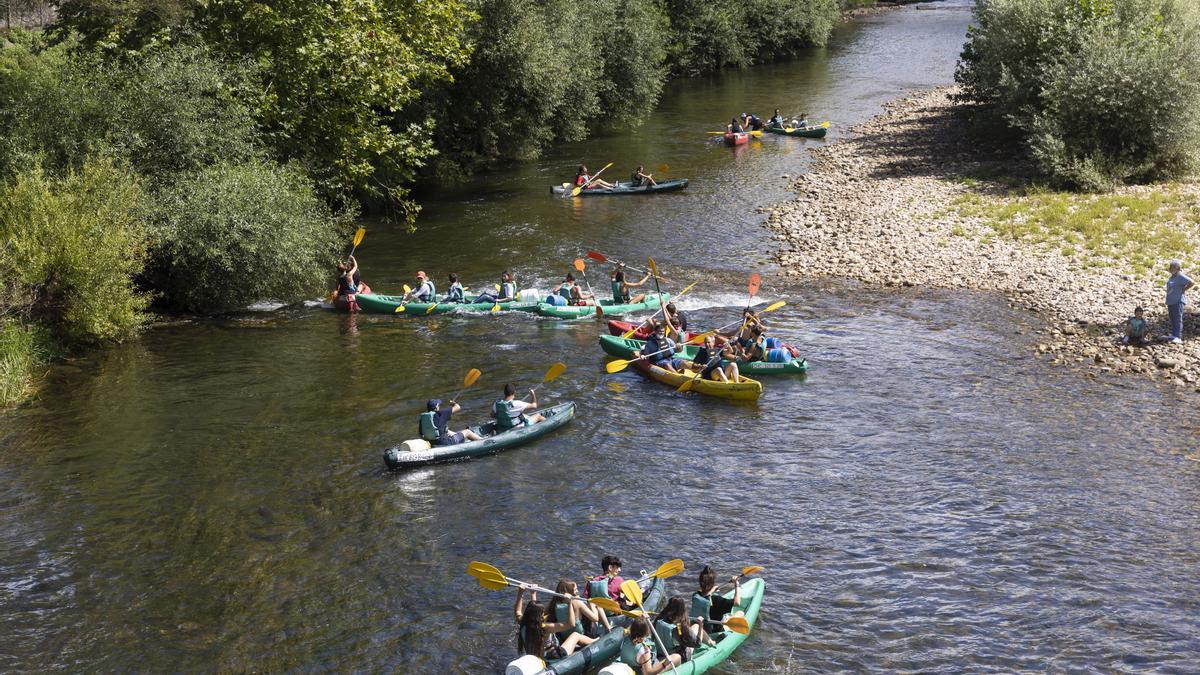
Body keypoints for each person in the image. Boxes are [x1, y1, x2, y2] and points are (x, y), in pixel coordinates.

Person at [515, 588, 594, 660]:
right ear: (539, 616)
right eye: (542, 613)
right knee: (575, 635)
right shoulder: (546, 627)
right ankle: (596, 641)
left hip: (535, 658)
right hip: (552, 657)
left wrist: (524, 592)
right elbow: (571, 624)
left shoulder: (522, 622)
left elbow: (518, 611)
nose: (543, 615)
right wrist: (569, 603)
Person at [653, 596, 716, 663]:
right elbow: (698, 644)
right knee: (697, 626)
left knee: (692, 629)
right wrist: (701, 625)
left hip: (661, 653)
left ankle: (711, 642)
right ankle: (712, 643)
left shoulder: (659, 620)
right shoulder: (679, 626)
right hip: (679, 657)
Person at [547, 579, 612, 640]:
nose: (577, 591)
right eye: (575, 590)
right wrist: (592, 606)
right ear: (569, 592)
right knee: (597, 606)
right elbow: (595, 619)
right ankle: (608, 628)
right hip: (580, 634)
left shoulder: (555, 602)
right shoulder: (578, 602)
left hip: (564, 635)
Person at [691, 566, 743, 638]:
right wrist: (736, 585)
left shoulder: (696, 596)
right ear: (713, 583)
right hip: (715, 631)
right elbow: (737, 603)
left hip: (701, 628)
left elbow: (706, 595)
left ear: (700, 582)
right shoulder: (718, 600)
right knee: (740, 613)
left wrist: (712, 590)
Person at [419, 399, 483, 446]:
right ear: (436, 407)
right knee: (467, 432)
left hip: (432, 443)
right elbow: (458, 407)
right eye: (438, 405)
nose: (439, 407)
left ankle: (460, 438)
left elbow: (421, 434)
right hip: (446, 443)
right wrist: (453, 403)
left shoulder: (423, 418)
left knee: (446, 430)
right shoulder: (441, 413)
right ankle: (483, 441)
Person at [1164, 259, 1194, 344]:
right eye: (1170, 267)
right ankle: (1174, 334)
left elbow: (1191, 282)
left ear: (1178, 268)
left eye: (1173, 267)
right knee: (1172, 318)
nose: (1171, 268)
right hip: (1171, 301)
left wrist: (1184, 289)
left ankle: (1178, 336)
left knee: (1177, 318)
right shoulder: (1172, 276)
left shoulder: (1180, 276)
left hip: (1178, 301)